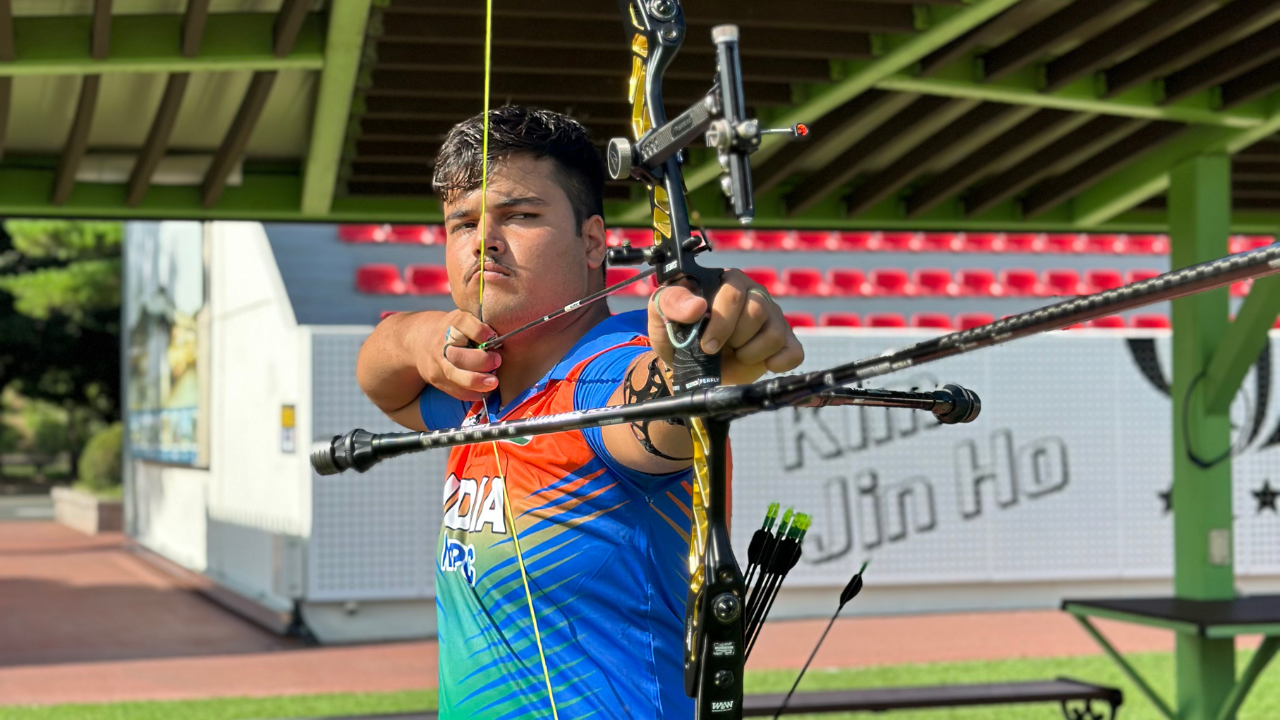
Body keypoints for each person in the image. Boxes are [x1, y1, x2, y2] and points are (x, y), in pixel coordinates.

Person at [356, 106, 803, 719]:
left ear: (593, 241)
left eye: (521, 215)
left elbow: (653, 414)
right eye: (463, 223)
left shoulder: (604, 374)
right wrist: (415, 335)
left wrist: (697, 354)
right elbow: (381, 381)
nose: (484, 239)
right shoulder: (475, 385)